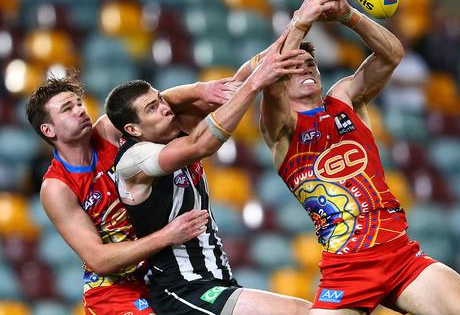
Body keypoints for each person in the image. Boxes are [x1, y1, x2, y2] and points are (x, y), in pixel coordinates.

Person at [247, 0, 460, 314]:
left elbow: (392, 54)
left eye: (311, 63)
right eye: (294, 67)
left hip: (399, 253)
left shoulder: (344, 97)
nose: (306, 68)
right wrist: (302, 22)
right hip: (348, 266)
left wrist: (349, 15)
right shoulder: (281, 127)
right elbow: (271, 84)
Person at [104, 29, 326, 315]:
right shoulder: (133, 160)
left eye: (160, 99)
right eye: (152, 108)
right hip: (183, 291)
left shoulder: (173, 129)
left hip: (215, 282)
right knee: (303, 312)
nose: (164, 107)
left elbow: (237, 83)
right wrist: (256, 83)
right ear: (133, 130)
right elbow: (201, 144)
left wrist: (300, 22)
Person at [25, 74, 235, 314]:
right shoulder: (57, 188)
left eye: (79, 103)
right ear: (48, 130)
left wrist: (201, 90)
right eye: (67, 109)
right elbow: (98, 259)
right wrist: (166, 236)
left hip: (161, 273)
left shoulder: (106, 130)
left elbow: (151, 104)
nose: (80, 110)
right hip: (116, 290)